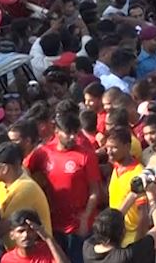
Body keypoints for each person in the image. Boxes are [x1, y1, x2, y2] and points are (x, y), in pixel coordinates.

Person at [26, 112, 101, 263]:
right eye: (68, 133)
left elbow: (95, 190)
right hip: (52, 224)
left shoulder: (85, 155)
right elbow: (24, 172)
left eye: (75, 132)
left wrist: (86, 217)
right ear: (56, 131)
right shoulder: (43, 152)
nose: (72, 137)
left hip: (77, 226)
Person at [82, 200, 156, 263]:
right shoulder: (125, 256)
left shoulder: (87, 248)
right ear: (123, 232)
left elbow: (109, 223)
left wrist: (133, 194)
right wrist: (152, 199)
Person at [1, 209, 71, 263]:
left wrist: (48, 238)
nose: (26, 235)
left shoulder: (48, 251)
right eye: (21, 231)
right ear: (12, 235)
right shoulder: (8, 259)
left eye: (31, 230)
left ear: (37, 232)